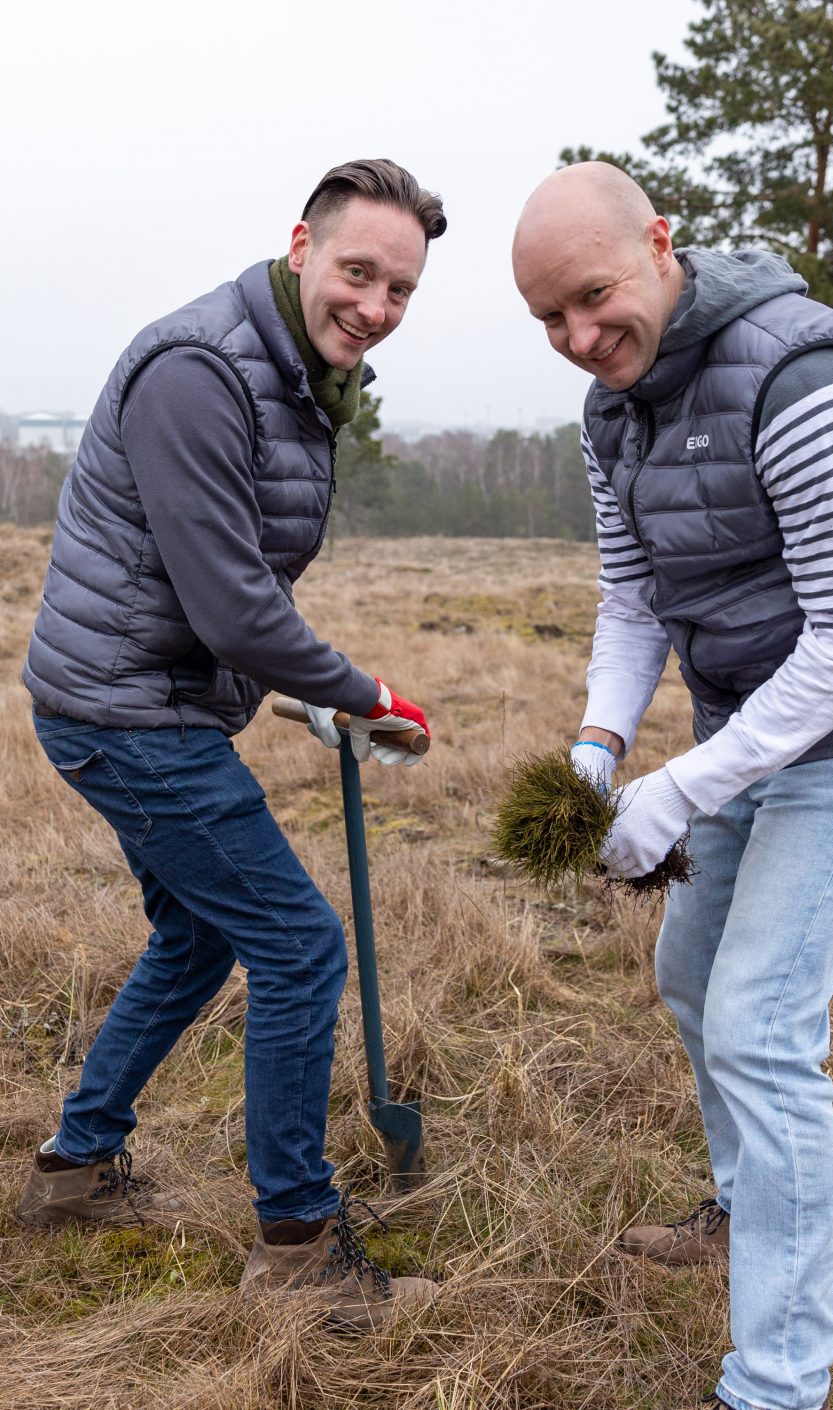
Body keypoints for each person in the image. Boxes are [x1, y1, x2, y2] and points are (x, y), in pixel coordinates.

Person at [512, 161, 833, 1410]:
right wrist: (602, 744)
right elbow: (634, 591)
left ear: (658, 242)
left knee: (759, 1025)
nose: (581, 339)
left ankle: (777, 1379)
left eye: (593, 298)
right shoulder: (615, 409)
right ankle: (745, 1206)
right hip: (748, 718)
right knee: (689, 976)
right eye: (550, 321)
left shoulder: (803, 379)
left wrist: (683, 787)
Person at [18, 158, 445, 1327]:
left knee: (201, 935)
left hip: (142, 699)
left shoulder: (289, 373)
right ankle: (298, 1249)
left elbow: (236, 583)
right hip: (126, 714)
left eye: (400, 289)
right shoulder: (204, 373)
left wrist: (307, 695)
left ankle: (73, 1166)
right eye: (358, 271)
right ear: (301, 246)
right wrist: (361, 690)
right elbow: (231, 606)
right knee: (301, 947)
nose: (375, 304)